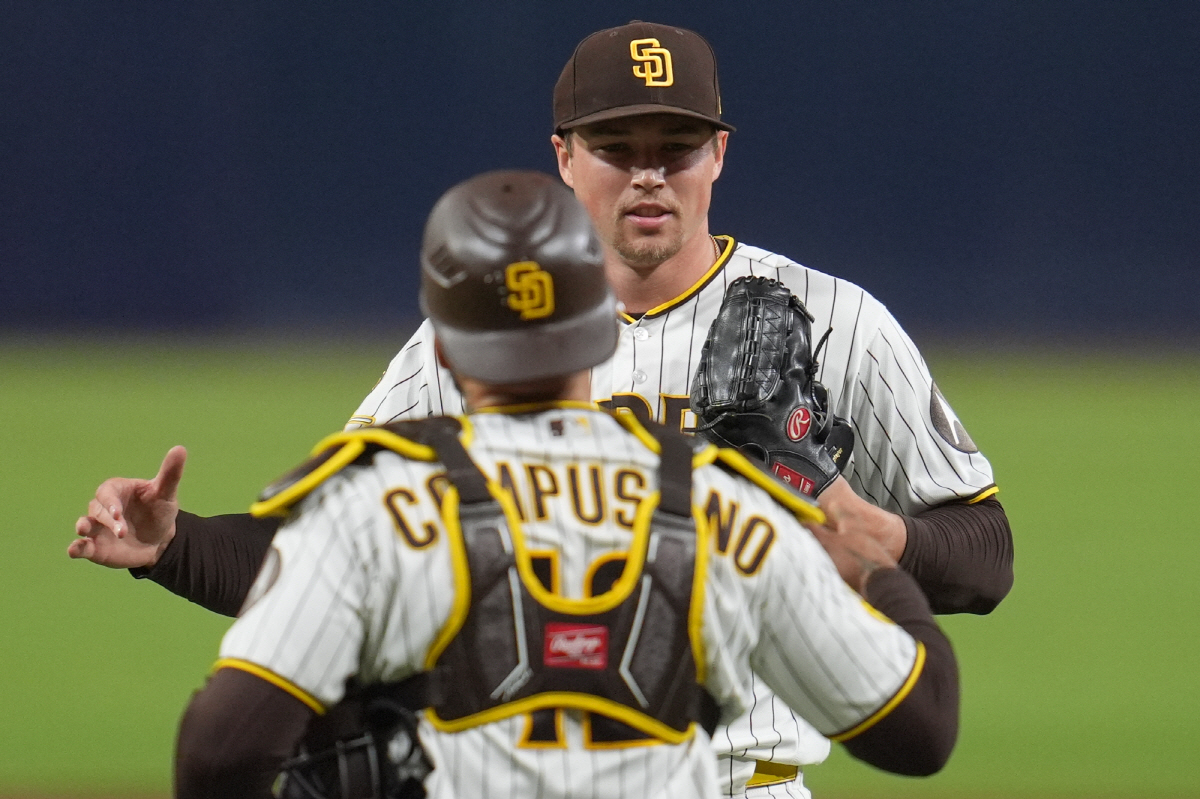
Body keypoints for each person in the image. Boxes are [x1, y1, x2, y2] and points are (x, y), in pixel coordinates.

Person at [71, 20, 1011, 799]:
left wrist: (883, 540)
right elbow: (327, 552)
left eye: (675, 148)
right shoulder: (708, 504)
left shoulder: (837, 322)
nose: (649, 175)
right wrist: (174, 545)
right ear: (565, 157)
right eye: (617, 148)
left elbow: (986, 550)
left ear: (718, 153)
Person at [173, 169, 959, 799]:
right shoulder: (725, 509)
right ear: (598, 331)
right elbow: (921, 732)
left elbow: (220, 756)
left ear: (442, 352)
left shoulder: (372, 510)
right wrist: (876, 571)